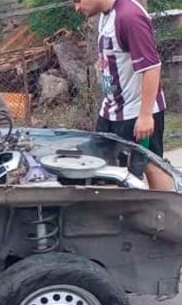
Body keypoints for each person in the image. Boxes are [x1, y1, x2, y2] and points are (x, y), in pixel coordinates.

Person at [73, 0, 169, 190]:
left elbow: (151, 68)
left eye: (78, 0)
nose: (77, 7)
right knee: (109, 168)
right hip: (112, 111)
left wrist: (145, 115)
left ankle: (168, 215)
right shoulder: (106, 15)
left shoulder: (129, 16)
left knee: (151, 164)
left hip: (136, 114)